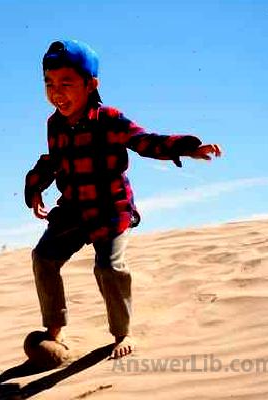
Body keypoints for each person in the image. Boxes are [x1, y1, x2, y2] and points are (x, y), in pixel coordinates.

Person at [24, 39, 222, 359]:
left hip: (110, 206)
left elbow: (143, 141)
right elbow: (52, 160)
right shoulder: (55, 125)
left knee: (108, 267)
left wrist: (185, 147)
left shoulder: (109, 119)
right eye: (49, 83)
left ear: (91, 85)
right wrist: (34, 188)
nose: (56, 92)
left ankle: (121, 334)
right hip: (74, 207)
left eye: (66, 83)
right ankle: (54, 330)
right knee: (44, 257)